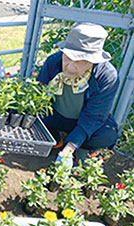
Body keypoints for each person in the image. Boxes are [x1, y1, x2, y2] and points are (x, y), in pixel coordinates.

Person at [37, 23, 119, 169]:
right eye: (68, 58)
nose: (70, 68)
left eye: (81, 62)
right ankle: (55, 137)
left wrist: (70, 148)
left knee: (107, 135)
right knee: (34, 118)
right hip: (56, 114)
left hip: (83, 119)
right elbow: (38, 95)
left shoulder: (106, 76)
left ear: (94, 60)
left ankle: (81, 147)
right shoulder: (53, 62)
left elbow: (94, 116)